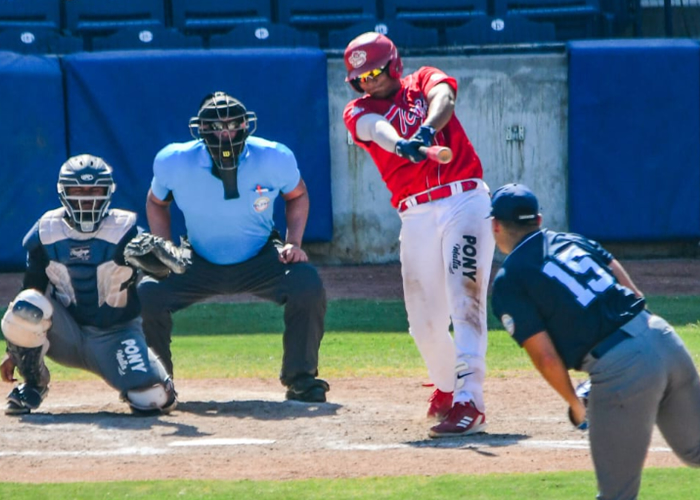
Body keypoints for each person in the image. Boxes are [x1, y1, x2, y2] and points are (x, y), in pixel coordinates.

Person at [489, 183, 700, 500]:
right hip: (662, 336)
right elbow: (633, 293)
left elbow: (545, 357)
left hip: (622, 369)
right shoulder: (574, 240)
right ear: (539, 220)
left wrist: (575, 404)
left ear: (495, 226)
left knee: (616, 495)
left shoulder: (510, 280)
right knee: (695, 451)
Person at [342, 32, 495, 437]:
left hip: (464, 200)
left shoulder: (423, 79)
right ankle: (447, 388)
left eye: (374, 72)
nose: (368, 82)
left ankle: (470, 400)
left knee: (465, 298)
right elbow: (374, 129)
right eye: (360, 77)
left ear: (392, 64)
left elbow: (444, 98)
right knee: (423, 322)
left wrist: (426, 131)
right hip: (415, 214)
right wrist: (401, 147)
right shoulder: (355, 110)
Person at [137, 91, 329, 403]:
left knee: (306, 283)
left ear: (245, 124)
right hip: (197, 259)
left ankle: (301, 378)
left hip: (260, 256)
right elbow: (156, 202)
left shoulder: (274, 156)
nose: (226, 132)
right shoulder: (174, 160)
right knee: (147, 292)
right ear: (200, 129)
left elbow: (298, 195)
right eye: (216, 125)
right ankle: (156, 384)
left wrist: (294, 243)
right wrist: (164, 248)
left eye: (233, 123)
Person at [0, 154, 177, 415]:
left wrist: (160, 263)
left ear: (108, 192)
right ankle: (34, 384)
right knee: (28, 304)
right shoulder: (46, 231)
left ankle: (154, 379)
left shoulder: (126, 231)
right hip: (66, 334)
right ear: (63, 192)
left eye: (94, 189)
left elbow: (161, 273)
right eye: (77, 189)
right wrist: (14, 352)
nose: (86, 197)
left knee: (153, 398)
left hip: (116, 336)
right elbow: (31, 288)